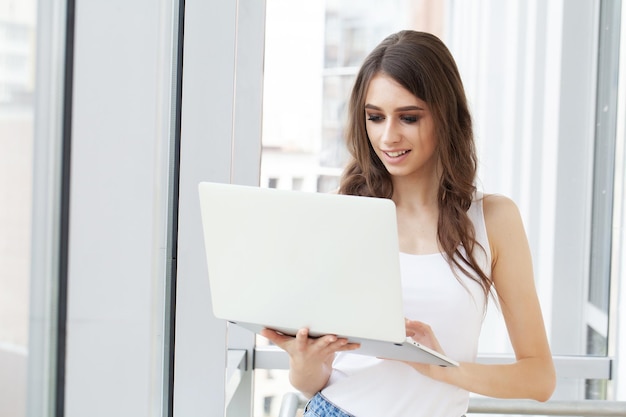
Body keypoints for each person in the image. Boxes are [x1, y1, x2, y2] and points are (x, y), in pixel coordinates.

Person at [261, 30, 556, 417]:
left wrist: (443, 369)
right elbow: (310, 383)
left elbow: (539, 379)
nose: (388, 136)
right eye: (375, 117)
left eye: (409, 117)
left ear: (446, 115)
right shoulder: (341, 212)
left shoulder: (495, 220)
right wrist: (305, 360)